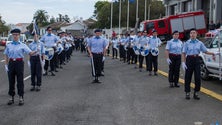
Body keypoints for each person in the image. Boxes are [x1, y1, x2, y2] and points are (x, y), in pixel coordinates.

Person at [182, 28, 218, 100]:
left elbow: (205, 51)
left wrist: (213, 53)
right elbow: (183, 53)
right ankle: (187, 92)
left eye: (194, 33)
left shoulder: (199, 43)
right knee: (188, 77)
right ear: (190, 34)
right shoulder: (187, 43)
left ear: (196, 34)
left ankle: (196, 92)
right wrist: (183, 62)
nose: (192, 34)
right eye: (191, 33)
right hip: (189, 59)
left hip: (197, 59)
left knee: (198, 77)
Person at [4, 29, 37, 106]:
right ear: (12, 36)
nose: (15, 36)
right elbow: (6, 55)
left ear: (19, 35)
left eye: (17, 35)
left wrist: (36, 51)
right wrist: (6, 65)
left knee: (20, 81)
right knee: (11, 81)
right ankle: (11, 97)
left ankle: (21, 97)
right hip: (11, 63)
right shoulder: (9, 45)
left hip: (19, 63)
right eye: (14, 35)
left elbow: (30, 52)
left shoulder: (23, 45)